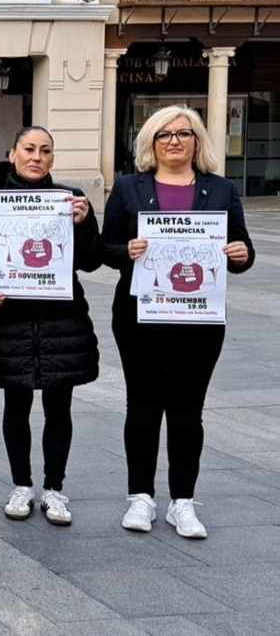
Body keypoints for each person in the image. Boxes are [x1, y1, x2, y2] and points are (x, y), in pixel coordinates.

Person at [103, 105, 254, 539]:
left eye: (183, 134)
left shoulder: (221, 190)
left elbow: (240, 247)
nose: (174, 141)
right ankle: (141, 498)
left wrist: (242, 254)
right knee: (143, 406)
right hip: (140, 318)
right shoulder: (130, 189)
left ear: (197, 141)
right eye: (164, 134)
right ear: (150, 143)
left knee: (188, 411)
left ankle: (183, 501)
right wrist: (125, 251)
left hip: (198, 320)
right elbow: (104, 248)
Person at [0, 126, 102, 526]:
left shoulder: (71, 201)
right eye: (29, 149)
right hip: (13, 323)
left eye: (45, 151)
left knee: (58, 407)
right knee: (15, 405)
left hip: (61, 323)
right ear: (12, 153)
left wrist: (85, 224)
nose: (37, 157)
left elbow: (90, 260)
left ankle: (54, 488)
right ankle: (21, 485)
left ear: (53, 158)